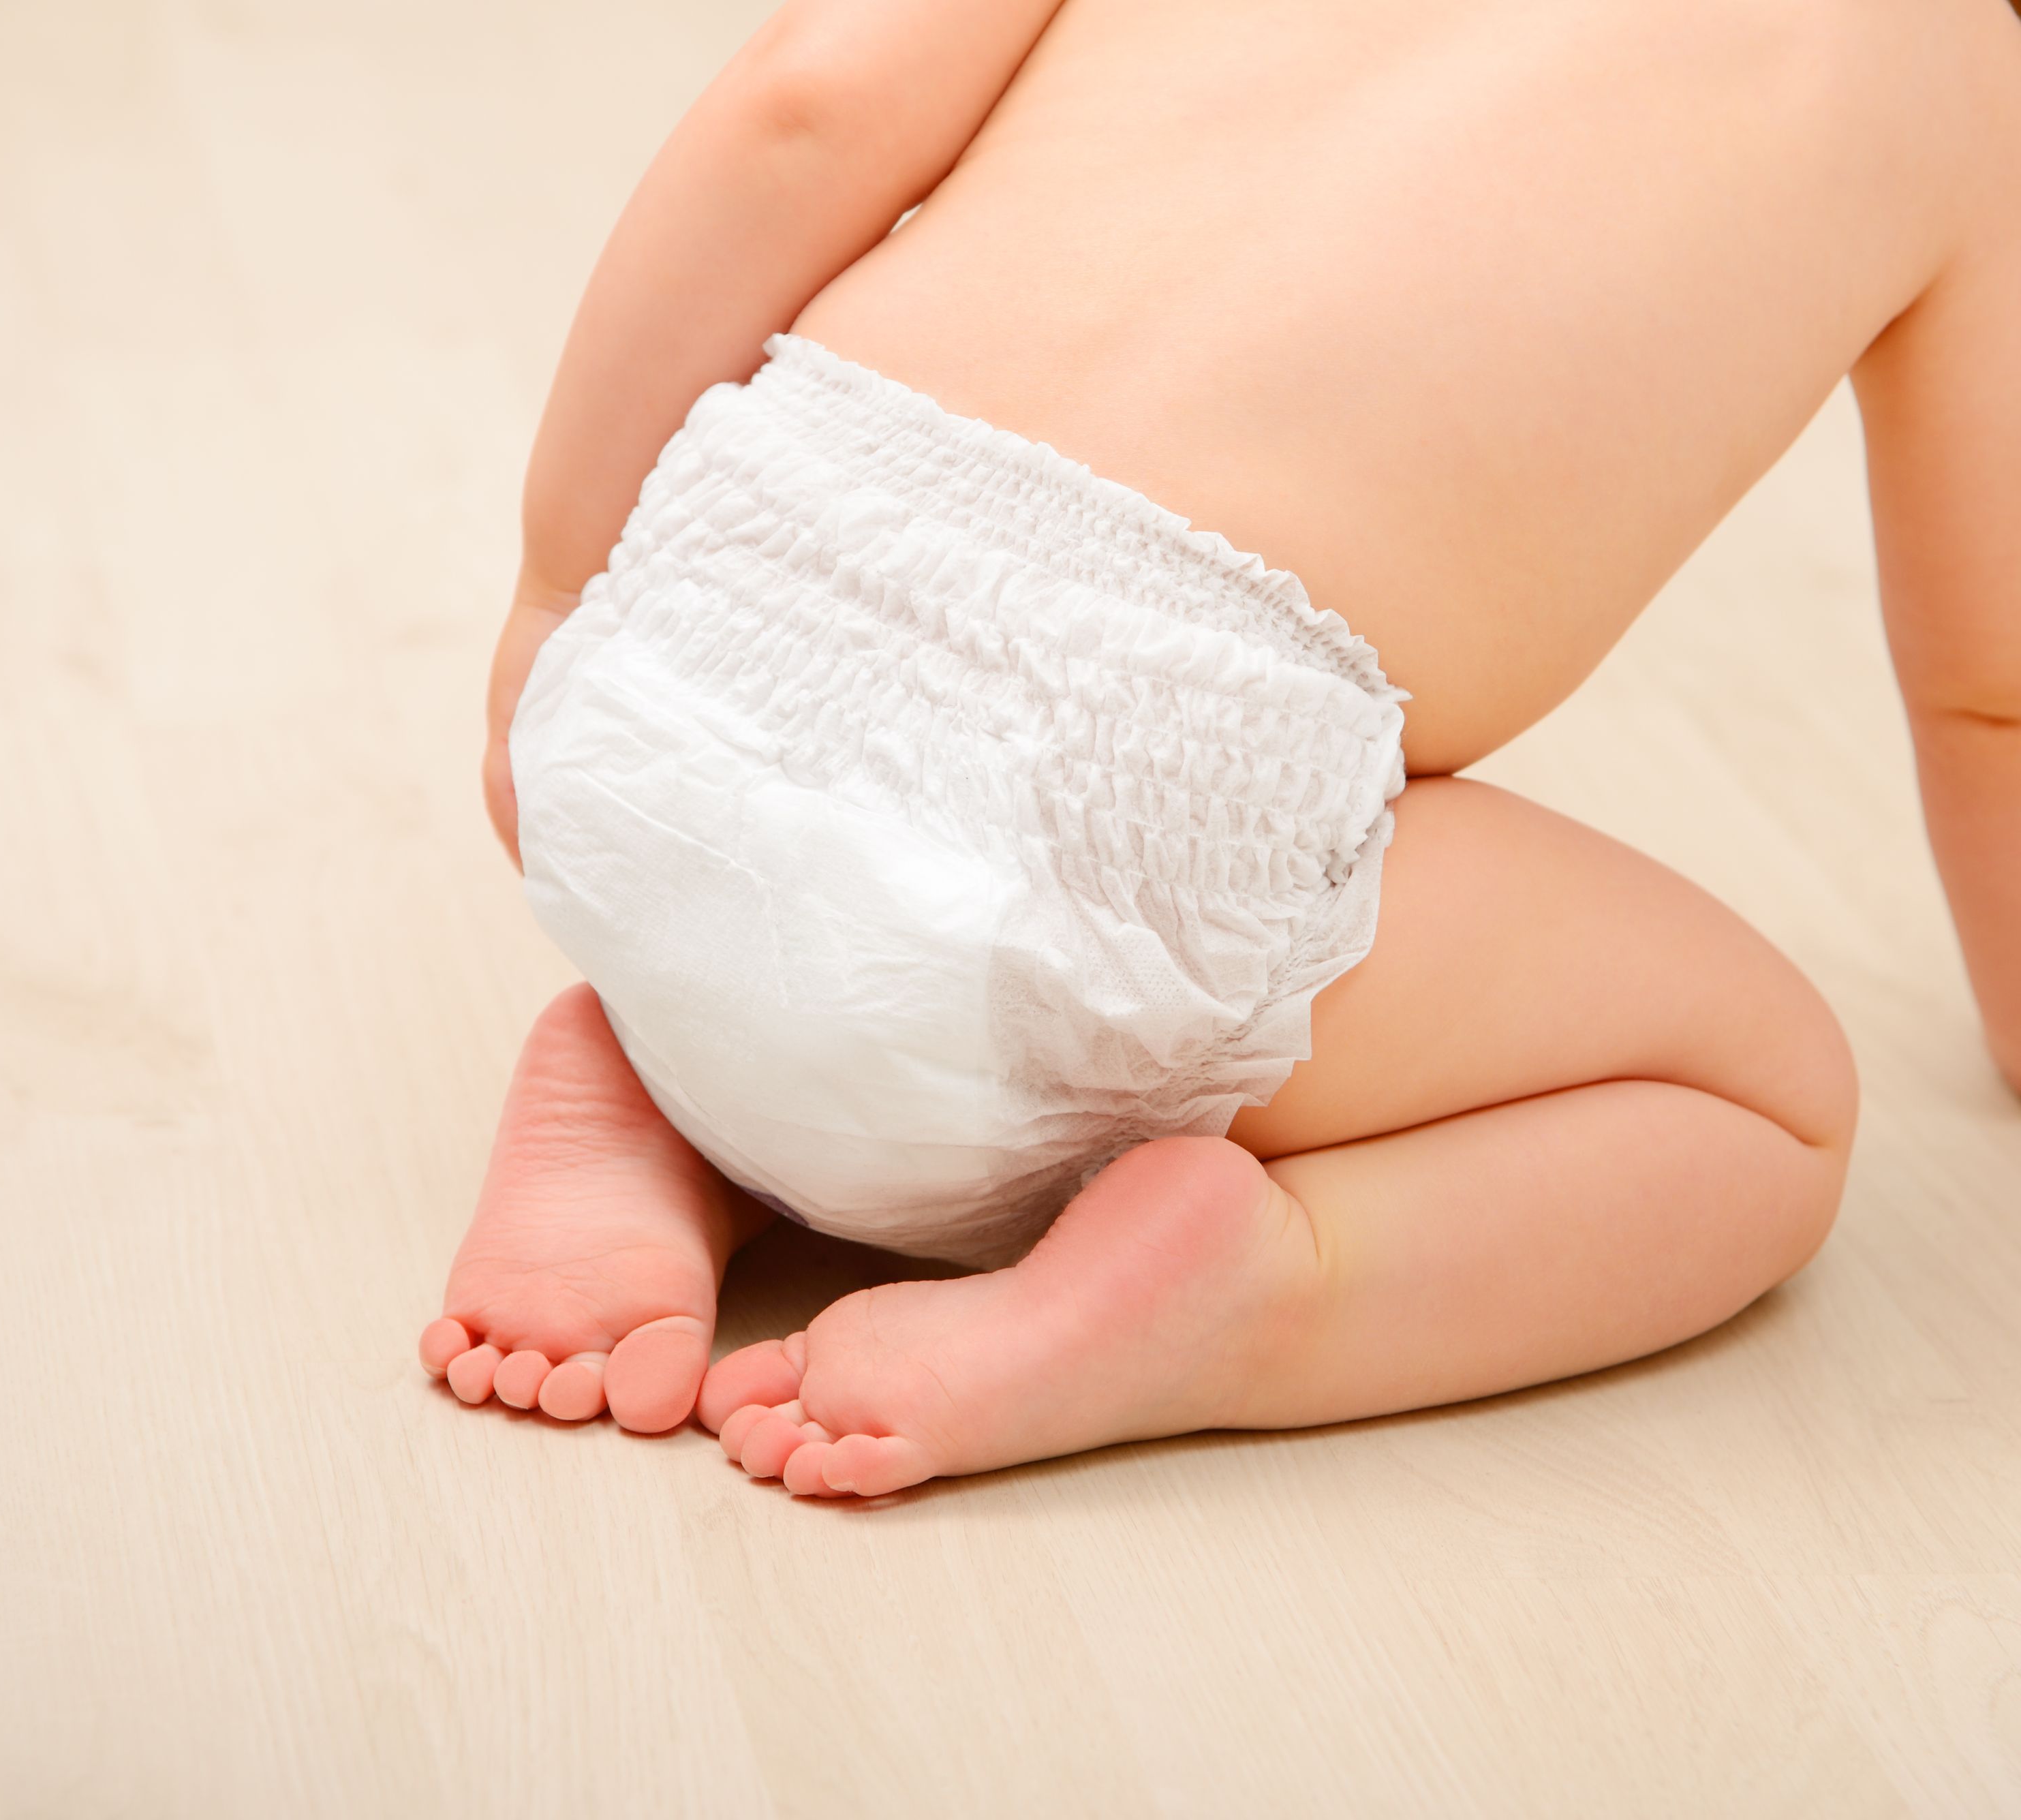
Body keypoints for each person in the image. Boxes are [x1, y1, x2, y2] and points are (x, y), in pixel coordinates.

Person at [418, 0, 2021, 1498]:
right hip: (1107, 830)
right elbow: (1989, 699)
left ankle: (679, 1085)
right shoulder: (1947, 73)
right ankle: (1261, 1291)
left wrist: (564, 587)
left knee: (866, 925)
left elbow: (800, 109)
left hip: (688, 661)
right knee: (1766, 1101)